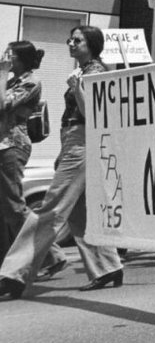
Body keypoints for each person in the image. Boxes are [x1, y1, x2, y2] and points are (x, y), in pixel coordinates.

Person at [1, 27, 123, 299]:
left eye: (77, 40)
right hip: (74, 142)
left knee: (51, 208)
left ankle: (13, 274)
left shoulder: (96, 71)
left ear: (91, 44)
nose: (71, 43)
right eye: (70, 39)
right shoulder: (82, 71)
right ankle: (107, 267)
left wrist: (75, 89)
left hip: (82, 140)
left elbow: (92, 112)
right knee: (79, 213)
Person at [0, 42, 43, 262]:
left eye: (10, 55)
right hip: (2, 144)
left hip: (13, 145)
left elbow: (3, 105)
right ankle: (6, 259)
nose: (6, 58)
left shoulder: (31, 82)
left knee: (14, 206)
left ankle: (50, 253)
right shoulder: (9, 80)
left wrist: (2, 72)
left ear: (22, 58)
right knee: (3, 208)